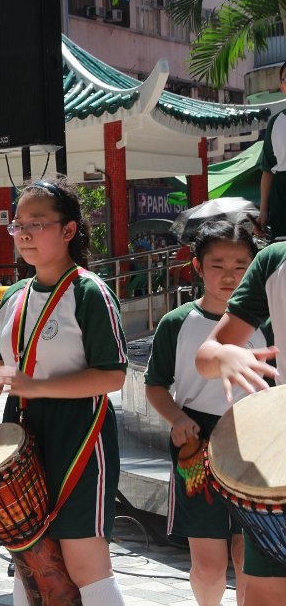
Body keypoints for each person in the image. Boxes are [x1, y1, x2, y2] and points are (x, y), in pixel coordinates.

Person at [0, 178, 128, 606]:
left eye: (36, 223)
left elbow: (112, 376)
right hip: (21, 433)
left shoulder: (89, 292)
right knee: (31, 560)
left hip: (80, 433)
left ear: (69, 230)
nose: (24, 233)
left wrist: (36, 386)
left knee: (85, 563)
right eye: (18, 225)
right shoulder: (13, 296)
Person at [146, 221, 265, 606]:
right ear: (197, 266)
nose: (229, 275)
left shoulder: (268, 322)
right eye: (218, 265)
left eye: (241, 265)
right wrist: (178, 419)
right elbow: (155, 385)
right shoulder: (176, 323)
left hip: (257, 443)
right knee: (209, 563)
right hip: (196, 441)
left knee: (250, 556)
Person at [195, 239, 286, 606]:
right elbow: (207, 355)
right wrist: (225, 355)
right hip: (279, 464)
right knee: (265, 594)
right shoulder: (274, 261)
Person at [259, 62, 286, 241]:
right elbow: (268, 171)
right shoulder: (275, 123)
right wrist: (263, 211)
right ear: (282, 86)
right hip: (281, 200)